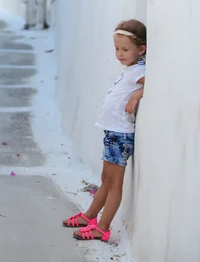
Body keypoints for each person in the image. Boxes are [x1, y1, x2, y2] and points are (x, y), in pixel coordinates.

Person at [62, 19, 147, 241]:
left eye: (125, 49)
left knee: (115, 183)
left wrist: (138, 94)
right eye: (117, 48)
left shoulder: (139, 69)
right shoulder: (130, 69)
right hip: (112, 132)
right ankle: (90, 216)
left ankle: (103, 226)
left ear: (141, 49)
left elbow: (158, 81)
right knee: (105, 178)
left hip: (121, 134)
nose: (119, 54)